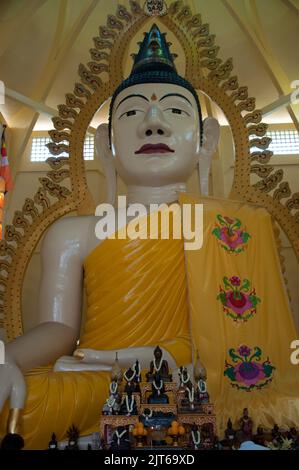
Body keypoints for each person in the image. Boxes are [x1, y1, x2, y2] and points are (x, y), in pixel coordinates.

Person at [0, 24, 219, 448]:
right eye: (133, 113)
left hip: (187, 377)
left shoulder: (226, 232)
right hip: (93, 382)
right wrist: (7, 358)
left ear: (206, 142)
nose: (153, 125)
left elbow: (237, 339)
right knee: (24, 402)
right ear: (106, 145)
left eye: (174, 111)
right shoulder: (73, 234)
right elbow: (58, 329)